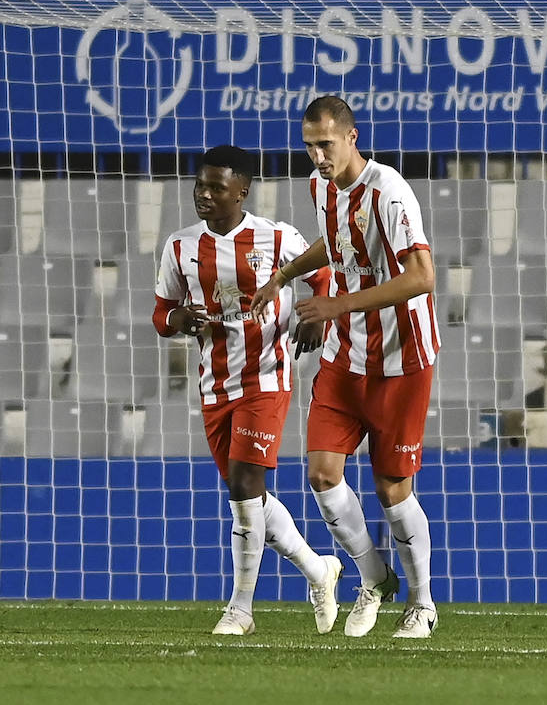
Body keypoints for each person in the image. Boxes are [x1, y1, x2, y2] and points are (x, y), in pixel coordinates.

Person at [250, 96, 440, 639]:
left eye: (325, 144)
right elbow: (335, 248)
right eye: (309, 145)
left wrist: (334, 305)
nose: (316, 155)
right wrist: (283, 275)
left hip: (402, 360)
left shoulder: (390, 192)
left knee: (391, 489)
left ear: (352, 138)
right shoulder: (321, 186)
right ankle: (374, 577)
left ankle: (422, 602)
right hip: (344, 355)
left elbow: (422, 276)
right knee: (321, 473)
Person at [153, 145, 342, 636]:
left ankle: (240, 609)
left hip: (267, 376)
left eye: (217, 187)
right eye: (201, 185)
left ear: (242, 191)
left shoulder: (277, 236)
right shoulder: (179, 247)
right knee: (250, 498)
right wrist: (177, 320)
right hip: (214, 385)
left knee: (242, 487)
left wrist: (316, 316)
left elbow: (324, 276)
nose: (205, 195)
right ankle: (320, 571)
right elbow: (161, 313)